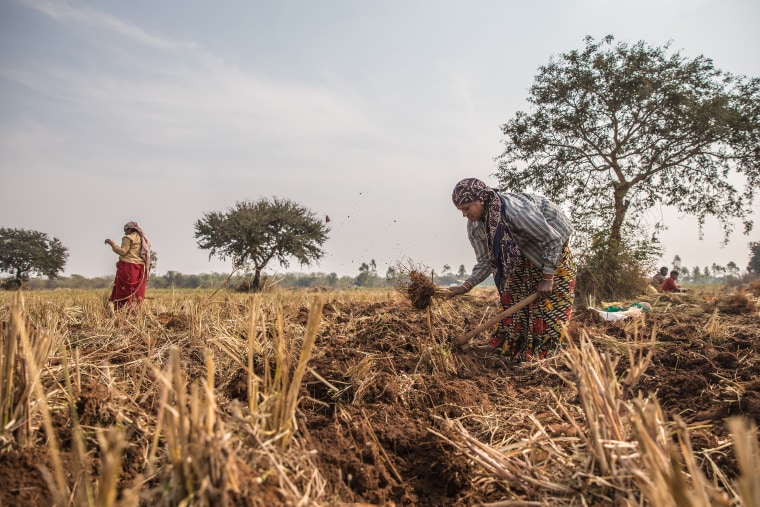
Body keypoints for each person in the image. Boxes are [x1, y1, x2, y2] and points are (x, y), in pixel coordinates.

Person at [448, 178, 576, 361]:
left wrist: (548, 277)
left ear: (481, 200)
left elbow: (552, 240)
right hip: (520, 254)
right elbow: (485, 261)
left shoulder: (515, 212)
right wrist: (466, 286)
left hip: (552, 247)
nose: (464, 215)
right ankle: (508, 347)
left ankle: (543, 355)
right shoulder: (475, 226)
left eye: (467, 208)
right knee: (513, 294)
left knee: (548, 305)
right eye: (461, 210)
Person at [105, 221, 151, 310]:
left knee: (124, 290)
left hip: (128, 267)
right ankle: (135, 311)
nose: (125, 232)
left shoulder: (128, 238)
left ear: (130, 229)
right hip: (140, 268)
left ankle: (122, 310)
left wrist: (112, 244)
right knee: (136, 291)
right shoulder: (144, 239)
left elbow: (123, 251)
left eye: (125, 230)